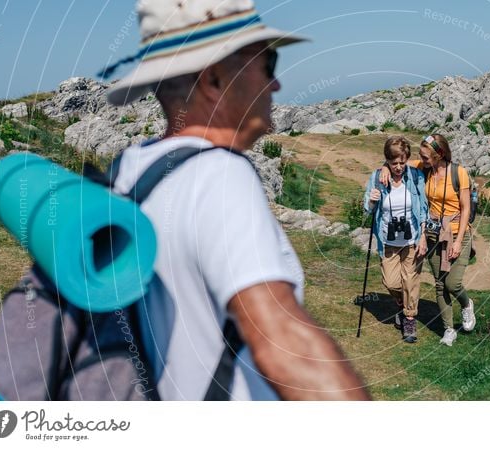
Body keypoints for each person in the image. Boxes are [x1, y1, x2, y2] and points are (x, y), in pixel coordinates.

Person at [100, 0, 369, 400]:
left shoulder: (131, 169)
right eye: (268, 63)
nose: (276, 84)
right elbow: (283, 342)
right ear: (214, 80)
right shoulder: (217, 175)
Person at [379, 134, 476, 346]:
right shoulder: (423, 168)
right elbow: (396, 160)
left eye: (425, 156)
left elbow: (466, 208)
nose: (421, 159)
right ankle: (449, 329)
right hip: (433, 235)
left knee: (453, 282)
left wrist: (459, 241)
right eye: (420, 156)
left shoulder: (458, 173)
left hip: (458, 232)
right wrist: (385, 168)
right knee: (440, 284)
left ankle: (467, 304)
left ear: (439, 155)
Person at [363, 136, 428, 343]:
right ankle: (403, 305)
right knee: (391, 282)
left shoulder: (416, 176)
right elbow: (367, 210)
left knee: (410, 280)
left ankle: (409, 318)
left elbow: (424, 208)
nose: (398, 167)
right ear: (387, 161)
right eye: (393, 163)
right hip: (388, 240)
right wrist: (372, 201)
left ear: (407, 159)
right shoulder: (377, 178)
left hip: (412, 239)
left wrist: (424, 236)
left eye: (402, 162)